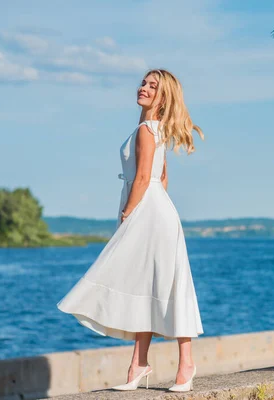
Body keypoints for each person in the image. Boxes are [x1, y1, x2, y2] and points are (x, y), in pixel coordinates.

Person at [56, 68, 205, 392]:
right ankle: (139, 364)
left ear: (163, 97)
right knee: (146, 284)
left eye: (153, 86)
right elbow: (161, 177)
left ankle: (186, 364)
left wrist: (128, 213)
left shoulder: (146, 130)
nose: (144, 88)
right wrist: (152, 206)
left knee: (166, 284)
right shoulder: (154, 129)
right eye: (144, 82)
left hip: (146, 211)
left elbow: (142, 178)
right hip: (155, 209)